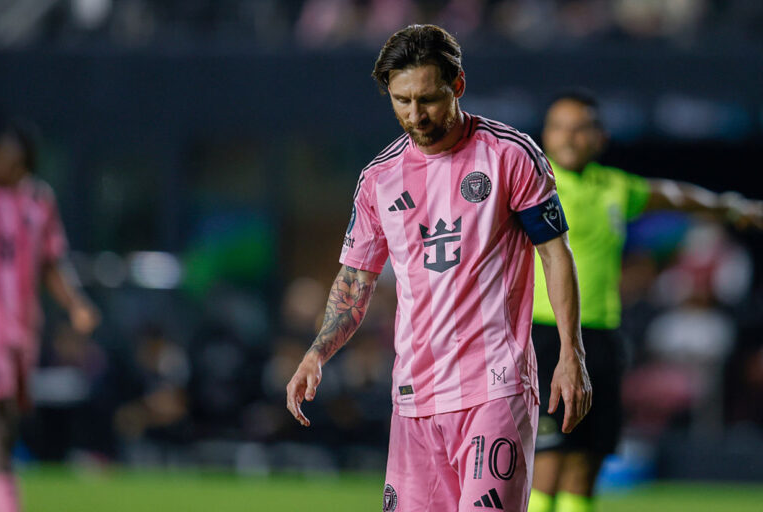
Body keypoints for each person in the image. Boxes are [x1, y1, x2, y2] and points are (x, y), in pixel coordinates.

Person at [285, 25, 592, 512]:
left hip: (496, 386)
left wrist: (571, 353)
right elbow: (356, 279)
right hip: (414, 397)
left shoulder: (509, 155)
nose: (415, 115)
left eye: (427, 99)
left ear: (458, 85)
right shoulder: (379, 179)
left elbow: (556, 253)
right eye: (402, 100)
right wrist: (317, 353)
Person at [528, 91, 763, 512]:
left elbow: (674, 196)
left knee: (587, 462)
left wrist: (729, 207)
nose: (568, 137)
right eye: (559, 127)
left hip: (601, 337)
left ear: (600, 137)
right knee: (547, 460)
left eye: (580, 128)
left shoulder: (615, 187)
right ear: (546, 135)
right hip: (545, 335)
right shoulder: (532, 185)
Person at [0, 119, 99, 512]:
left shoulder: (38, 202)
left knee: (9, 415)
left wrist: (75, 303)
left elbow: (51, 262)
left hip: (21, 331)